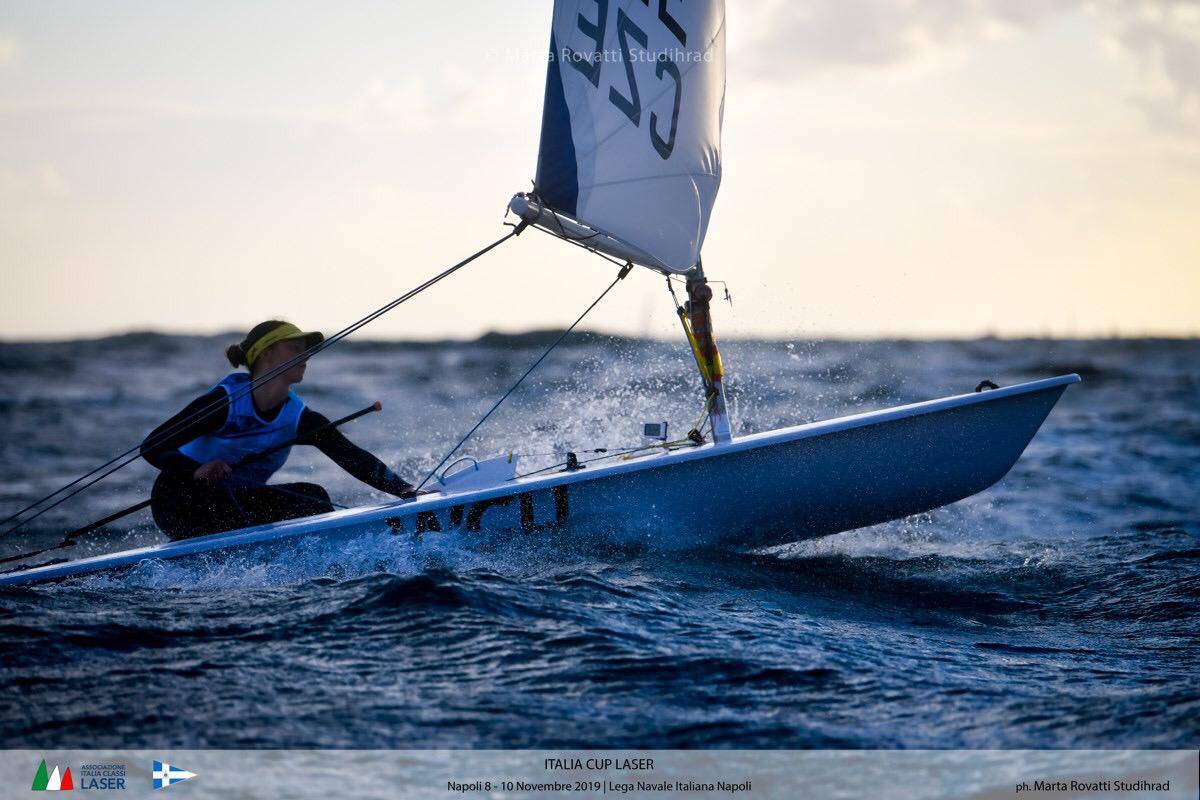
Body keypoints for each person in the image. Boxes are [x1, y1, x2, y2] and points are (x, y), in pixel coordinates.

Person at [140, 320, 418, 540]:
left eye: (306, 350)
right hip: (179, 504)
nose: (306, 357)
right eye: (295, 349)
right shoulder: (224, 404)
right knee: (311, 498)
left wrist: (405, 490)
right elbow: (153, 445)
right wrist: (197, 470)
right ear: (267, 354)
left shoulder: (298, 418)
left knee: (311, 497)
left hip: (236, 502)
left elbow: (351, 456)